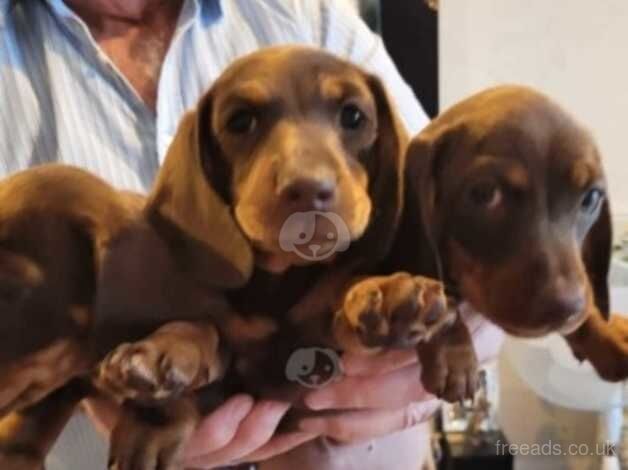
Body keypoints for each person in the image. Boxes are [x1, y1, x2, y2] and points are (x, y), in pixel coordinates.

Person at [0, 1, 504, 468]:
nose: (309, 175)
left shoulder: (304, 12)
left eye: (351, 118)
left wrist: (463, 332)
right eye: (241, 122)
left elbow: (450, 233)